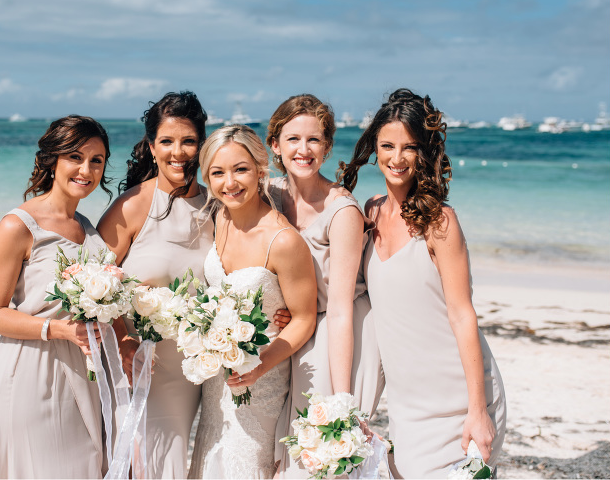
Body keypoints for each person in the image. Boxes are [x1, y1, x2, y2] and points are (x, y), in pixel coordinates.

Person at [339, 89, 507, 478]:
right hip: (407, 400)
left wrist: (478, 411)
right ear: (374, 147)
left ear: (424, 153)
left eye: (409, 147)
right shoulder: (370, 211)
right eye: (387, 145)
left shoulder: (440, 222)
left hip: (457, 397)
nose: (396, 159)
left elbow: (463, 315)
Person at [0, 115, 113, 478]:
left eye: (96, 160)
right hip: (31, 371)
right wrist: (61, 331)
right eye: (75, 157)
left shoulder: (88, 228)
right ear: (52, 160)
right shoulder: (17, 226)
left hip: (84, 373)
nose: (86, 169)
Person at [188, 124, 317, 479]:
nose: (229, 183)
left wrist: (259, 365)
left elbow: (305, 319)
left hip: (264, 383)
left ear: (261, 170)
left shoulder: (283, 241)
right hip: (218, 384)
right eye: (217, 172)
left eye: (240, 169)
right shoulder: (220, 219)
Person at [265, 94, 385, 478]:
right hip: (302, 326)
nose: (303, 150)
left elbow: (340, 308)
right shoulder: (267, 195)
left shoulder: (343, 212)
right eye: (293, 139)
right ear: (274, 145)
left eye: (314, 140)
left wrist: (341, 392)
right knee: (291, 444)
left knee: (325, 441)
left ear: (328, 147)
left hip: (341, 328)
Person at [96, 91, 214, 479]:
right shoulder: (131, 207)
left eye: (189, 140)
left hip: (203, 370)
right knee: (146, 463)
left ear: (202, 144)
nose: (178, 152)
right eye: (166, 141)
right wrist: (123, 341)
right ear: (151, 147)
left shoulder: (220, 206)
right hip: (141, 365)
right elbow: (90, 288)